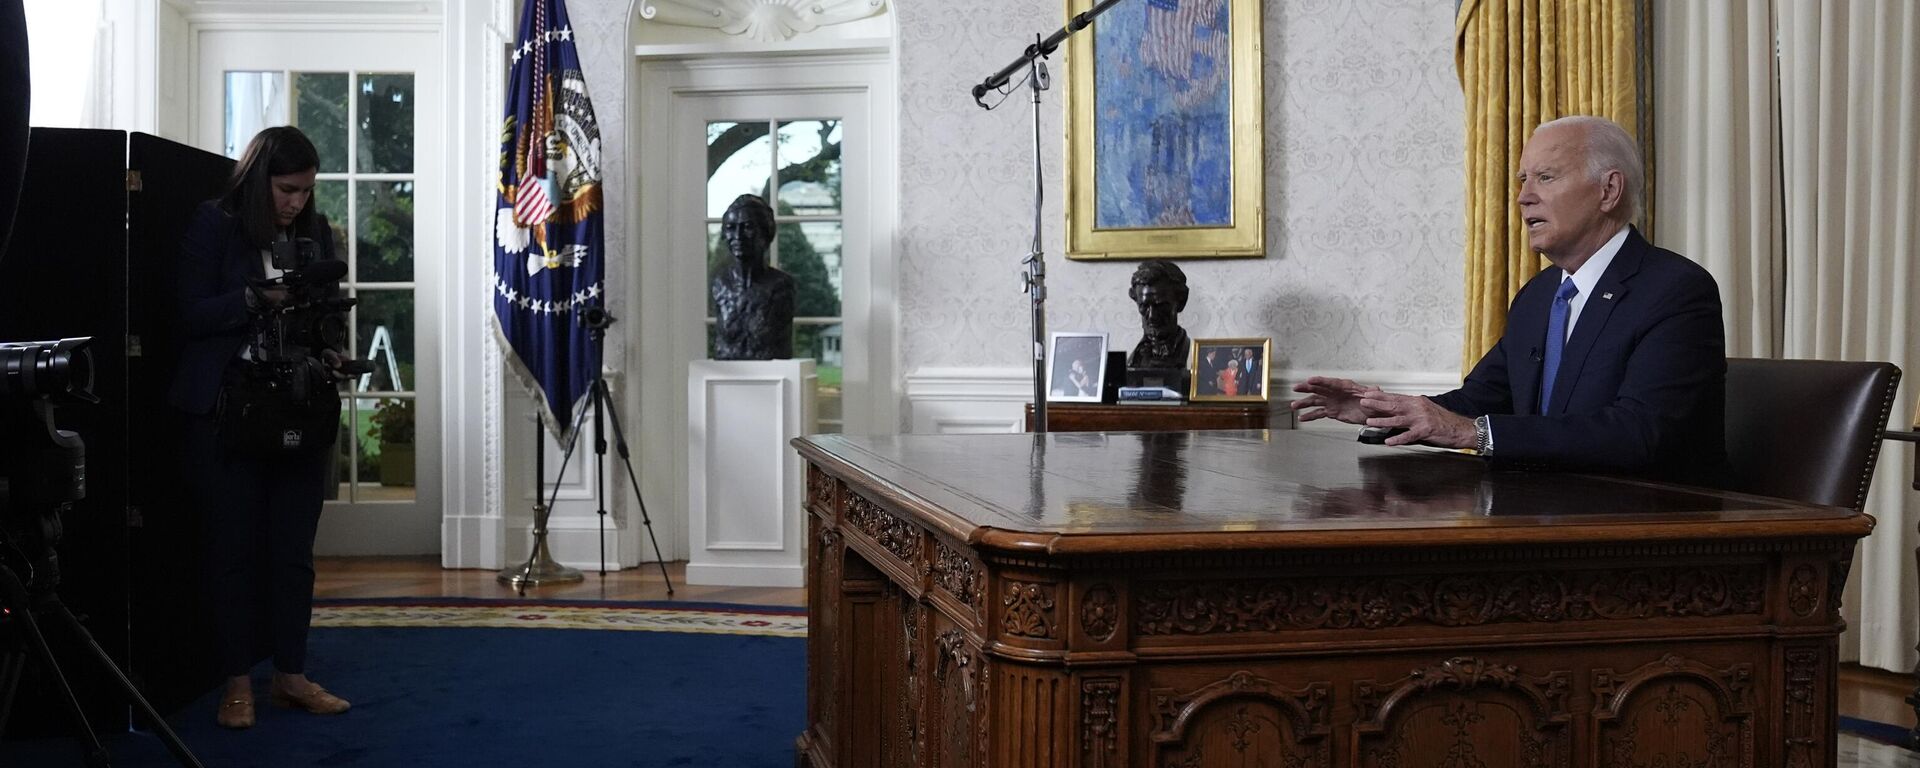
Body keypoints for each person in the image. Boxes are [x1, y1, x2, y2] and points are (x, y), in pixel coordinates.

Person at [1289, 115, 1727, 483]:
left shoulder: (1675, 290)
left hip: (1648, 529)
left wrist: (1475, 435)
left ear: (1608, 190)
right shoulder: (1539, 296)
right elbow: (1477, 402)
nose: (1523, 197)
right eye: (1522, 180)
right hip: (1543, 513)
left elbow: (1640, 433)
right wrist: (1382, 411)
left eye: (1546, 178)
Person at [169, 126, 353, 729]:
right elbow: (186, 314)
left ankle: (291, 677)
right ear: (258, 178)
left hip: (297, 408)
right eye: (286, 189)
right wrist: (254, 301)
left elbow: (323, 316)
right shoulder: (215, 223)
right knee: (233, 552)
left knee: (293, 554)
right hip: (230, 413)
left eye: (305, 191)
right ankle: (238, 684)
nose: (297, 202)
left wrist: (328, 350)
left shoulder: (313, 232)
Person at [712, 194, 795, 360]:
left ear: (765, 232)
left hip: (772, 377)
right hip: (726, 376)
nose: (738, 235)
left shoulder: (781, 286)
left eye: (747, 227)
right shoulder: (720, 284)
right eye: (730, 227)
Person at [1126, 260, 1191, 370]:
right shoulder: (1134, 361)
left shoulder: (1193, 357)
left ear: (1180, 303)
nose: (1152, 316)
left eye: (1161, 306)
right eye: (1144, 306)